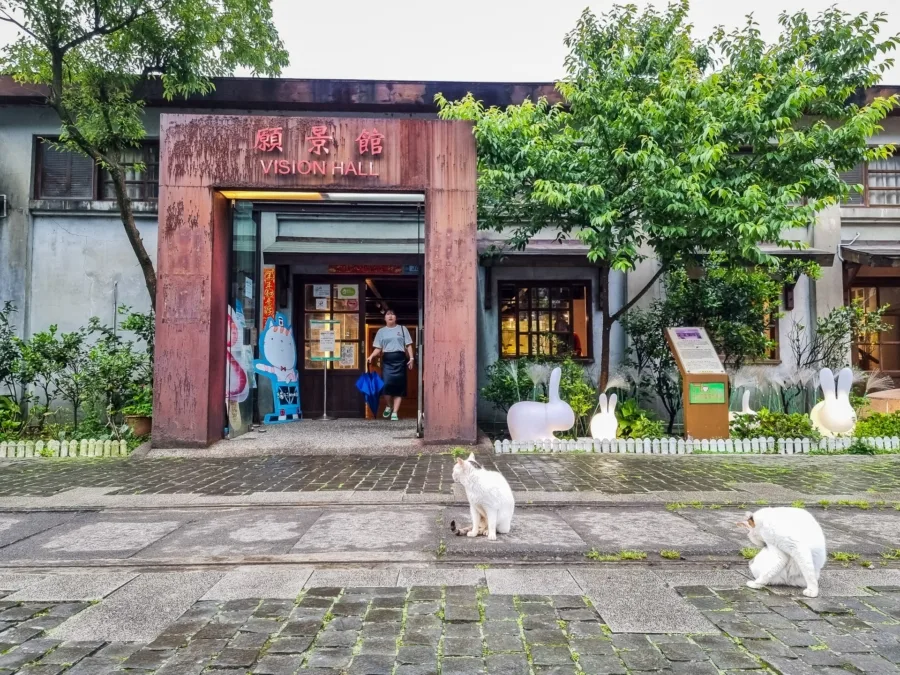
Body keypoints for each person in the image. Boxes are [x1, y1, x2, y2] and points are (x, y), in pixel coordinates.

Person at [367, 309, 414, 421]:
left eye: (393, 314)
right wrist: (371, 356)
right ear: (385, 318)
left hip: (400, 360)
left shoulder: (403, 329)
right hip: (387, 360)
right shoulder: (381, 331)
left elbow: (408, 345)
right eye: (388, 314)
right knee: (386, 386)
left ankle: (395, 412)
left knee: (399, 387)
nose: (390, 316)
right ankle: (389, 405)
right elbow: (378, 348)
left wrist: (411, 358)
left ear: (396, 317)